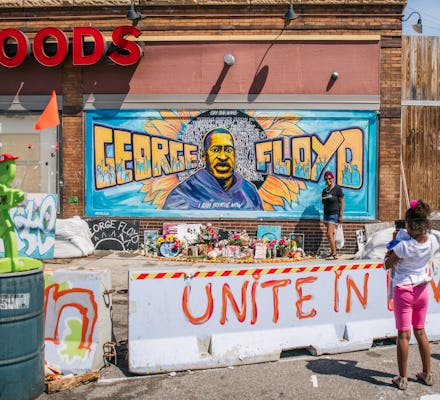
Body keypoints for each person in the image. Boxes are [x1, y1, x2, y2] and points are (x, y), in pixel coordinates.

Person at [384, 200, 439, 390]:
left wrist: (393, 244)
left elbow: (387, 264)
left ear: (409, 225)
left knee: (404, 335)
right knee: (421, 331)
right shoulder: (431, 241)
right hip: (423, 290)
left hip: (404, 290)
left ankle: (403, 377)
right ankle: (427, 373)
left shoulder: (403, 247)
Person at [163, 127, 263, 210]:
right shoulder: (183, 194)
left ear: (235, 155)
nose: (223, 157)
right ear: (203, 156)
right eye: (215, 150)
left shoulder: (249, 192)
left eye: (228, 150)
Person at [321, 170, 344, 260]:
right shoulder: (324, 191)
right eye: (326, 179)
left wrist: (340, 215)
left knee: (329, 234)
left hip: (334, 214)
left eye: (329, 179)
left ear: (333, 179)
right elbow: (324, 204)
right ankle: (333, 251)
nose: (328, 181)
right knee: (331, 234)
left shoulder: (337, 189)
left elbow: (342, 202)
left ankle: (334, 254)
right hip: (326, 215)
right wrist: (323, 216)